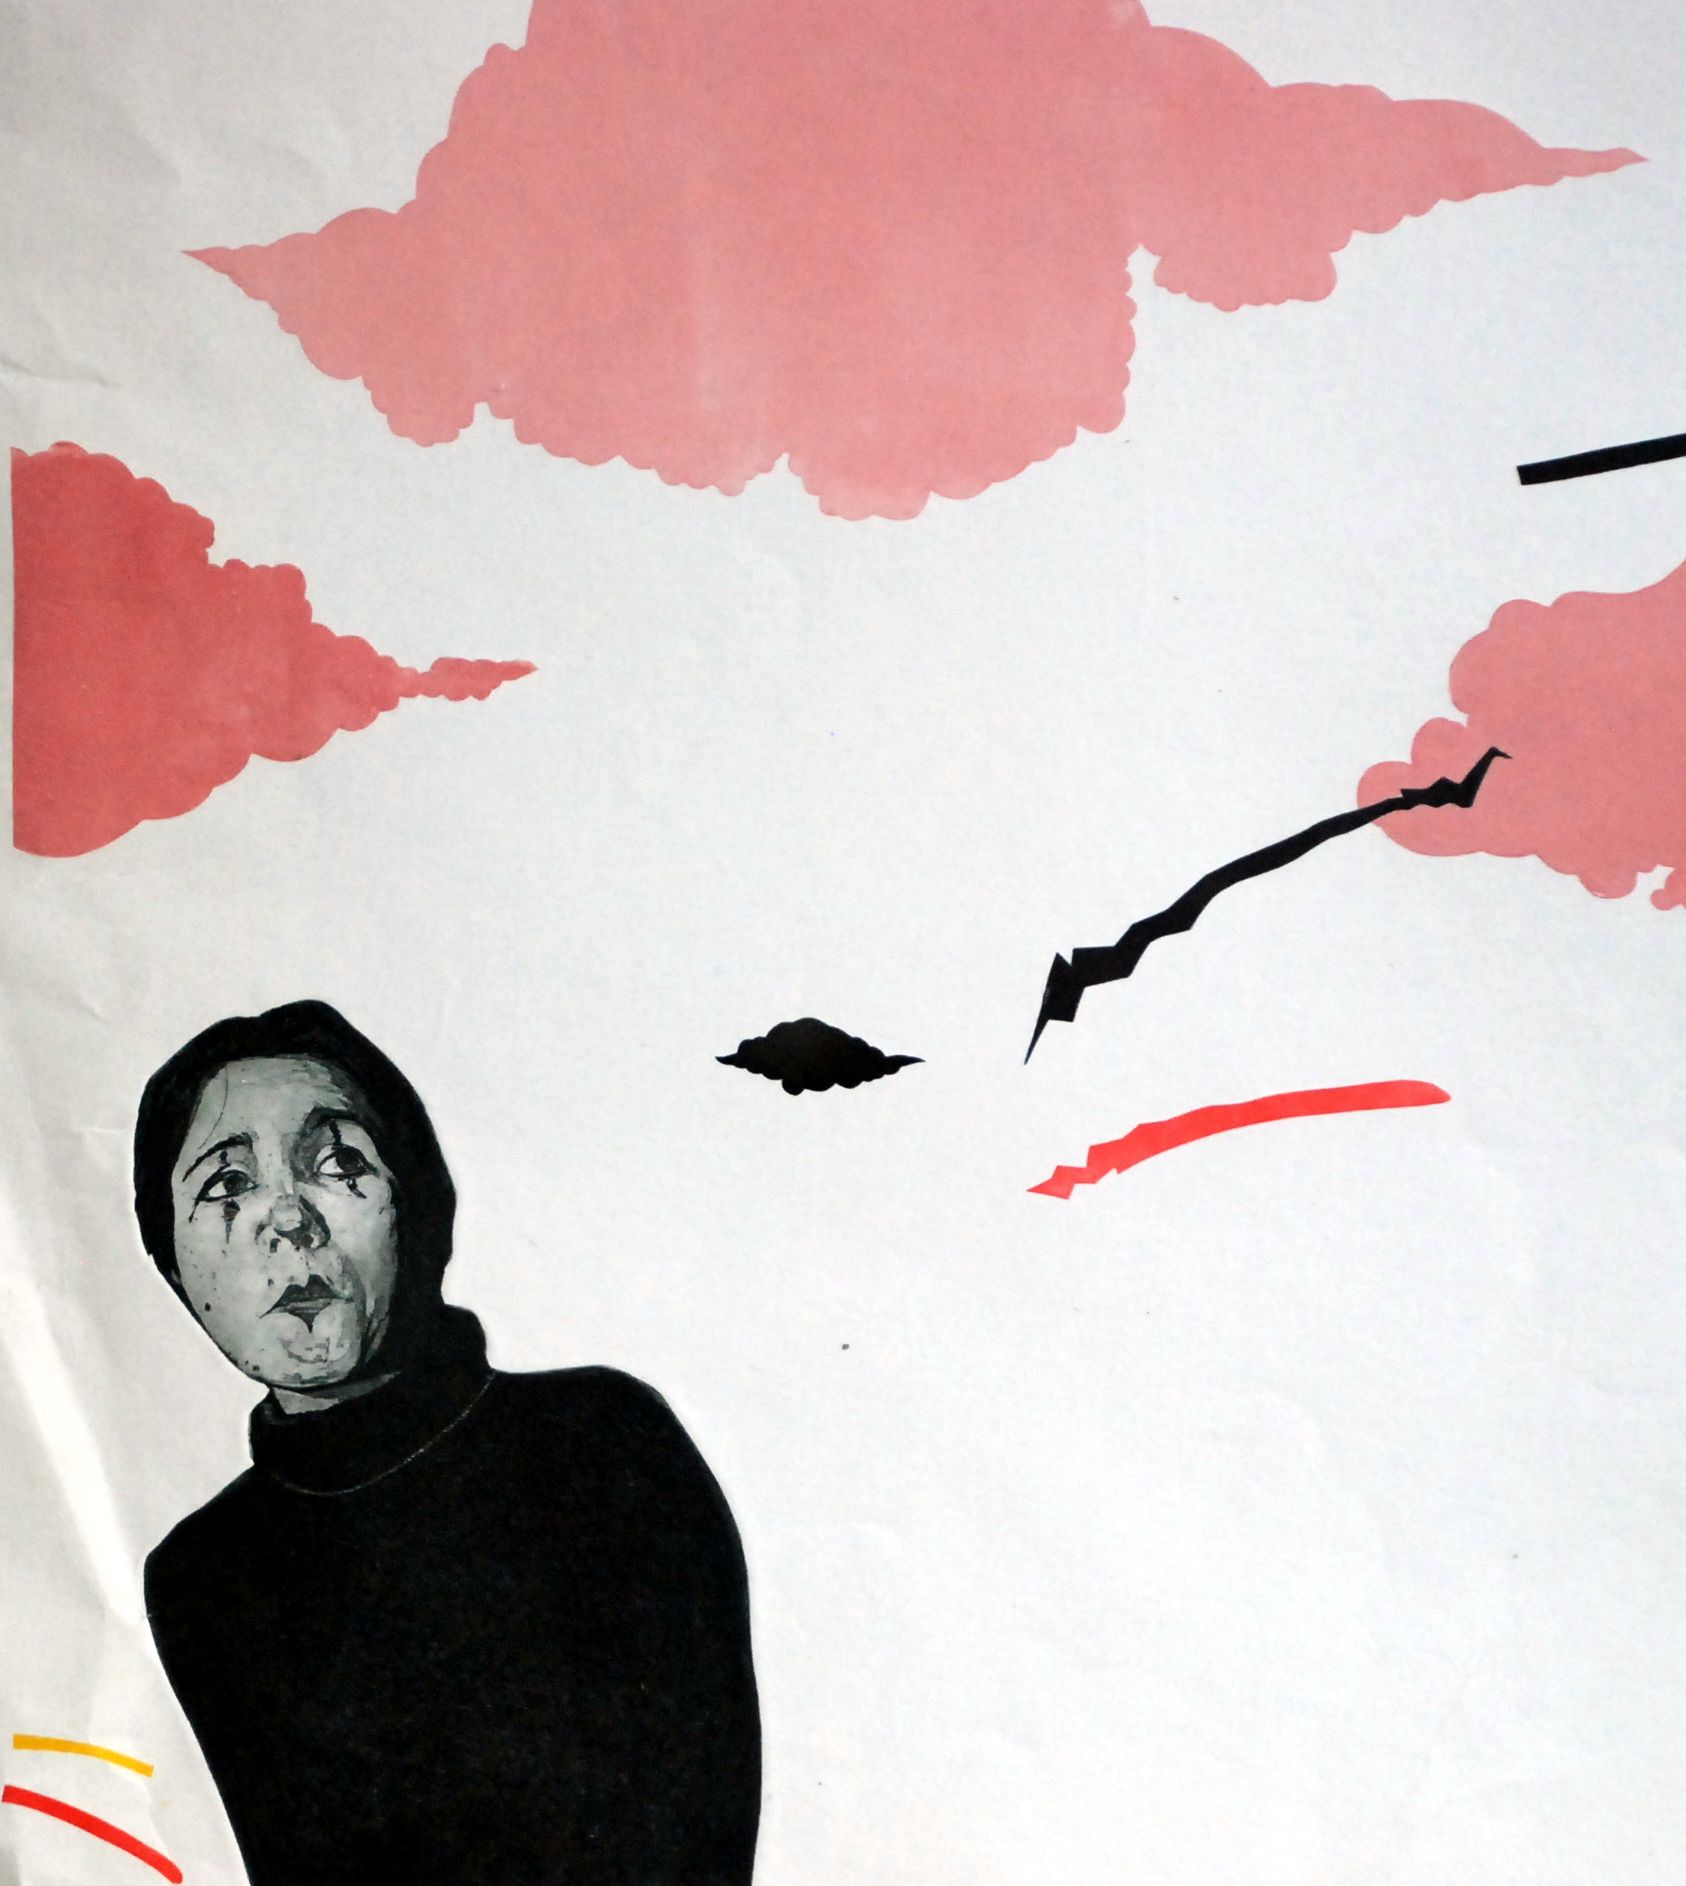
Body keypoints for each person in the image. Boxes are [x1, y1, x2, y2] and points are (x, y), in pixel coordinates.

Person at [135, 1000, 760, 1886]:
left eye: (340, 1163)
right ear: (172, 1261)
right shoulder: (201, 1576)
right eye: (225, 1185)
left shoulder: (602, 1444)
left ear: (419, 1206)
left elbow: (693, 1833)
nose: (288, 1219)